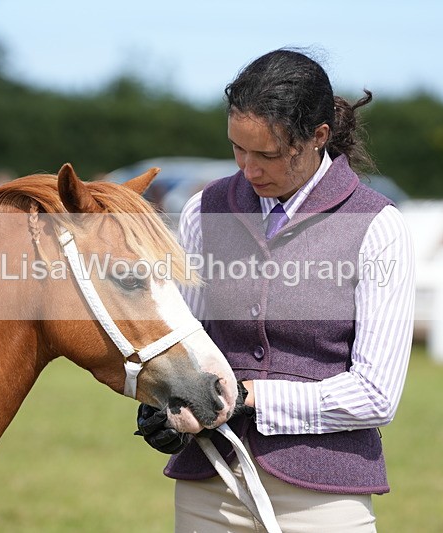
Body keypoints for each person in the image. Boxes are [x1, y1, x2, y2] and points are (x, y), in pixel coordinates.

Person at [136, 48, 415, 532]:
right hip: (211, 486)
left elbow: (377, 394)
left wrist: (253, 398)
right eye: (237, 149)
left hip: (325, 496)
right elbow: (190, 346)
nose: (248, 168)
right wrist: (163, 406)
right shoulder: (204, 211)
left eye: (266, 154)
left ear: (318, 137)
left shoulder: (378, 226)